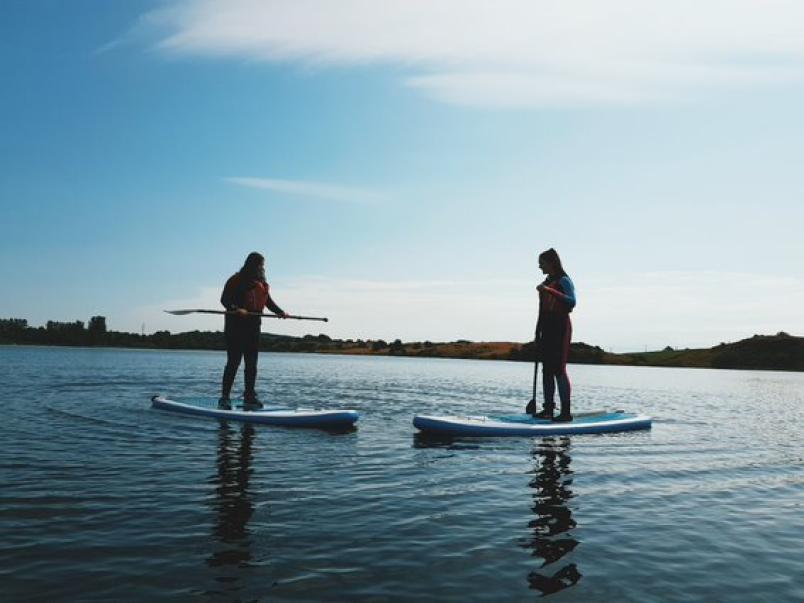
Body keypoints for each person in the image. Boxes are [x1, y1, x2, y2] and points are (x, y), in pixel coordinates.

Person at [219, 252, 287, 410]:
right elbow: (224, 300)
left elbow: (267, 301)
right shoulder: (236, 280)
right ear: (252, 264)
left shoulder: (261, 283)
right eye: (260, 265)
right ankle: (224, 397)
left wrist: (280, 312)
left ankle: (249, 396)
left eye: (263, 265)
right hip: (235, 326)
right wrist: (237, 308)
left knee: (251, 364)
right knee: (234, 362)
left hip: (254, 326)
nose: (262, 268)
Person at [532, 248, 576, 422]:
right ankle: (548, 409)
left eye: (541, 263)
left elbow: (572, 302)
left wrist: (549, 291)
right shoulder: (546, 282)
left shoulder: (564, 280)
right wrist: (538, 330)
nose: (540, 267)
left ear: (551, 263)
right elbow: (542, 309)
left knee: (559, 369)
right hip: (547, 327)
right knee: (547, 370)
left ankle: (566, 413)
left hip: (561, 326)